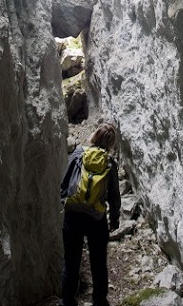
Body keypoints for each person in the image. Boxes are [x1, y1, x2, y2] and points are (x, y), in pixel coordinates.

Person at [60, 122, 121, 306]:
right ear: (110, 144)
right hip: (96, 218)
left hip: (74, 215)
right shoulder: (109, 163)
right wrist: (114, 218)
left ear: (94, 136)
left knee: (71, 262)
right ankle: (99, 301)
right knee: (99, 262)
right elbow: (114, 195)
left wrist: (66, 203)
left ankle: (67, 301)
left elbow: (65, 184)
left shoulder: (78, 154)